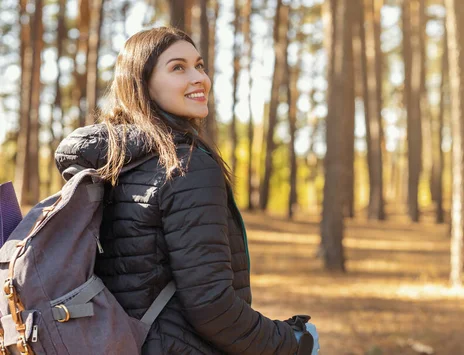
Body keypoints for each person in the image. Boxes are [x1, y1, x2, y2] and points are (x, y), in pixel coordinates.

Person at [54, 26, 319, 355]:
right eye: (178, 67)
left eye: (200, 65)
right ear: (143, 83)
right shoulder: (185, 165)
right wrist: (293, 342)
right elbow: (213, 306)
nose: (199, 78)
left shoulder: (114, 163)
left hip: (118, 342)